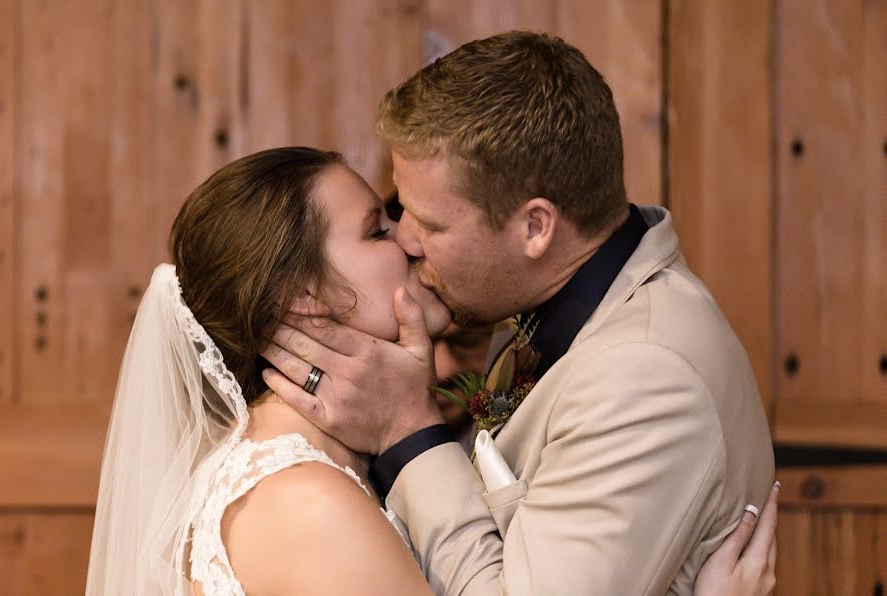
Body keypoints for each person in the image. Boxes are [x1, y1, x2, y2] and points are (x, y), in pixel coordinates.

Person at [86, 147, 776, 595]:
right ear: (302, 299)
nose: (410, 243)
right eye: (378, 230)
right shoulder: (305, 503)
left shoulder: (321, 474)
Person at [262, 31, 776, 594]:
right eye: (398, 214)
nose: (405, 240)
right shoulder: (534, 306)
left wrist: (406, 430)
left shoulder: (645, 375)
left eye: (430, 224)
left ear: (535, 227)